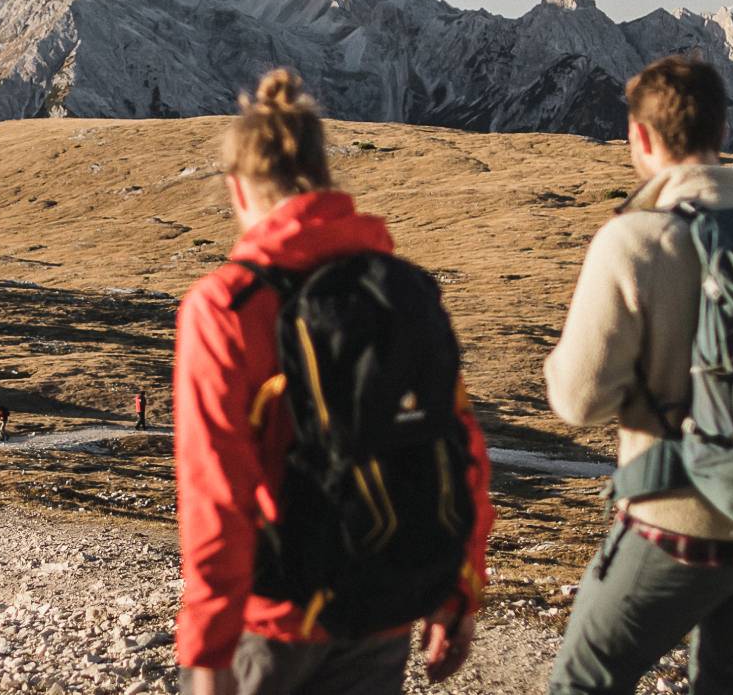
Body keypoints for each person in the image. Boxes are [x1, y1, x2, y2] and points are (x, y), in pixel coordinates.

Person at [175, 69, 494, 695]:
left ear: (238, 188)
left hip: (277, 618)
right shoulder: (401, 289)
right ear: (325, 176)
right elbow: (461, 445)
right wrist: (461, 587)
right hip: (383, 601)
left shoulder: (227, 306)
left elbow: (215, 491)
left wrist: (209, 648)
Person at [543, 56, 733, 695]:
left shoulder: (636, 239)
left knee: (583, 681)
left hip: (681, 519)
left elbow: (579, 401)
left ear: (639, 136)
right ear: (724, 129)